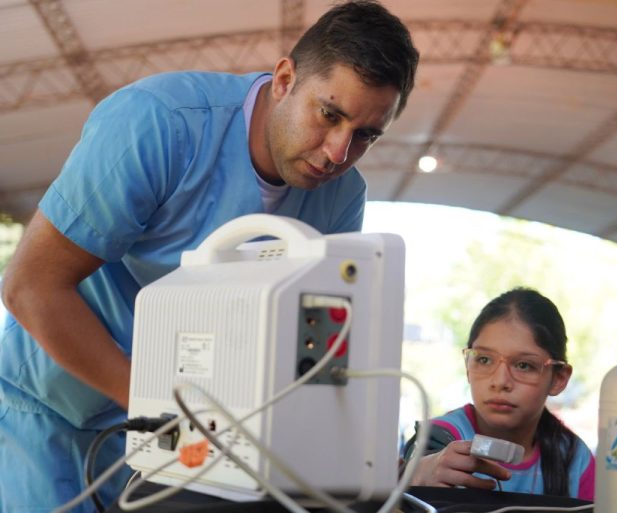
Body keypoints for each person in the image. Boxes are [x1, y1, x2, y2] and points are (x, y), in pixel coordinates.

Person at [0, 2, 419, 512]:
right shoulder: (158, 123)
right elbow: (32, 285)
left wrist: (383, 460)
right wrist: (154, 406)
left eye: (365, 135)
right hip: (52, 413)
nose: (338, 152)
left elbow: (309, 355)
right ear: (285, 78)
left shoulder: (342, 196)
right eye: (329, 114)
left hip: (186, 436)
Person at [401, 288, 595, 500]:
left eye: (523, 365)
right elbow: (414, 468)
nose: (500, 382)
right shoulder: (441, 439)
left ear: (558, 378)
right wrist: (416, 474)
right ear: (467, 366)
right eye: (484, 360)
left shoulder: (575, 460)